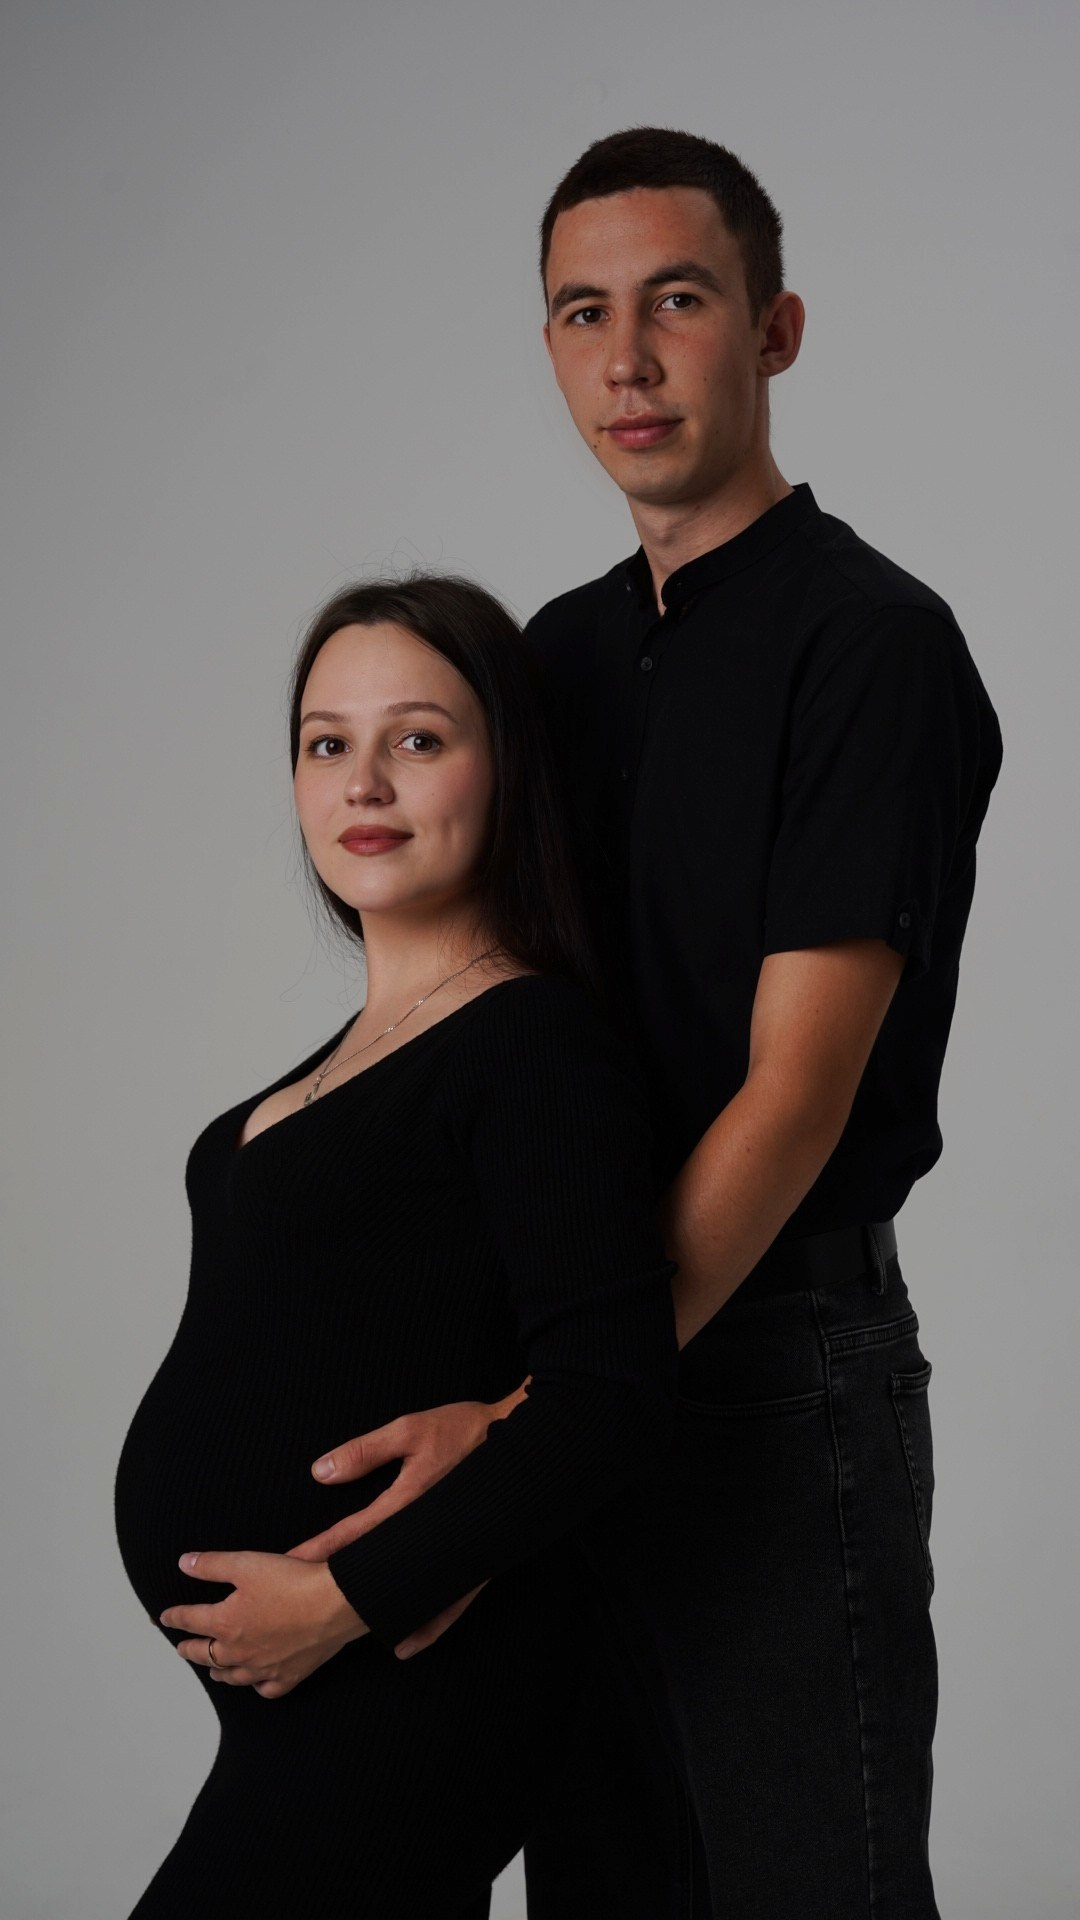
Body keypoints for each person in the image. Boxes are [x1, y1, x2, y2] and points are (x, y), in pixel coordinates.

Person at [282, 131, 1004, 1918]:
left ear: (776, 330)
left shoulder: (871, 642)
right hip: (568, 1371)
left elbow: (796, 1095)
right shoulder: (553, 661)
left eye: (677, 301)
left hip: (767, 1374)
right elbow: (471, 1016)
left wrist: (541, 1415)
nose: (628, 358)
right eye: (582, 313)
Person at [112, 574, 681, 1919]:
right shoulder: (363, 1053)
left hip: (413, 1690)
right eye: (328, 743)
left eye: (417, 739)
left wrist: (350, 1598)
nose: (363, 782)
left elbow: (610, 1393)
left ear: (507, 769)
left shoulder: (532, 1045)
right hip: (316, 1718)